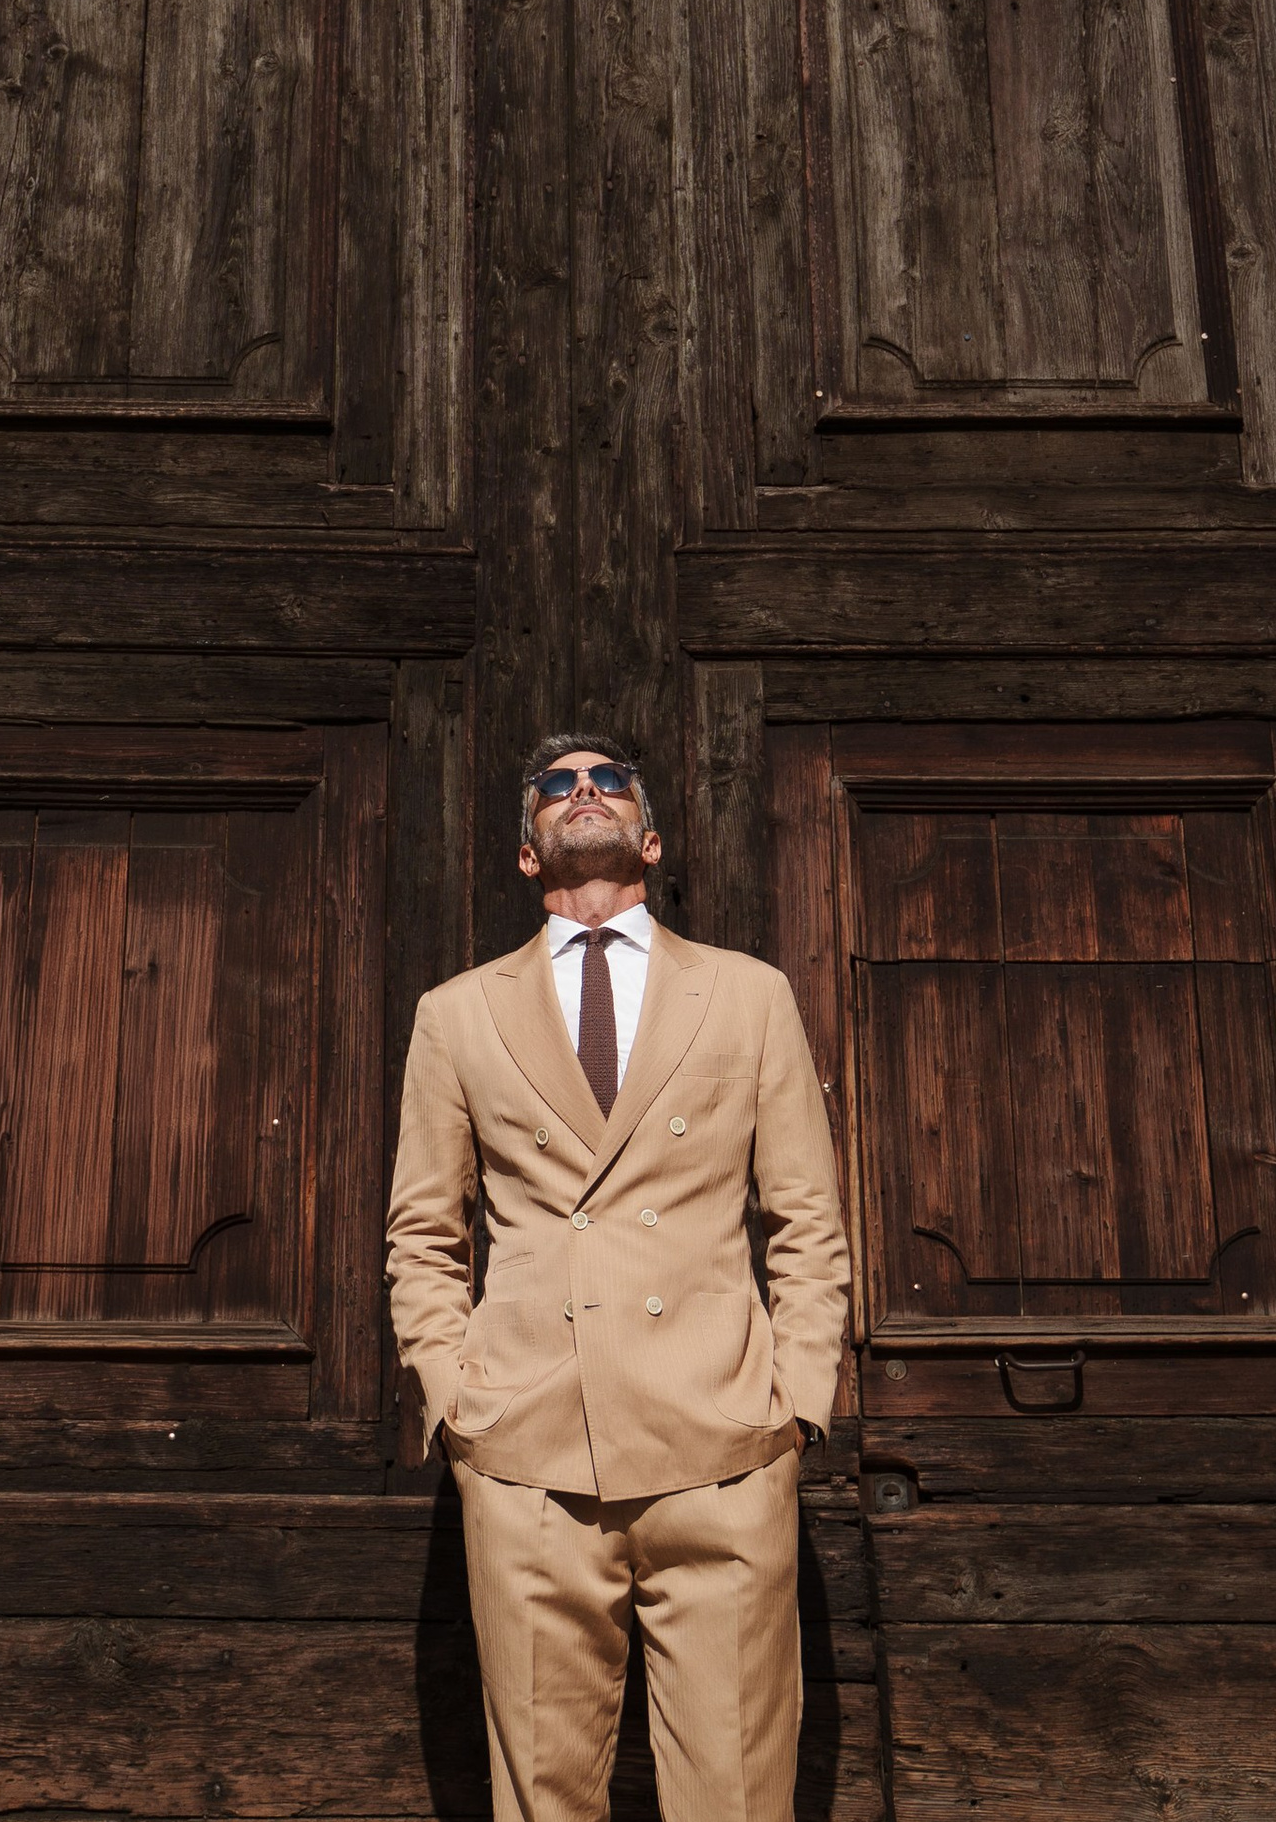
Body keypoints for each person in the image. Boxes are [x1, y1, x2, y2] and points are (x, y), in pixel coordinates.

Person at [386, 732, 852, 1822]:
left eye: (609, 782)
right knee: (542, 1803)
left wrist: (796, 1407)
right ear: (526, 850)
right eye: (557, 784)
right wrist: (457, 1406)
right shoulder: (457, 1012)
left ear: (648, 837)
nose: (583, 790)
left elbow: (805, 1219)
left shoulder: (747, 994)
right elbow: (424, 1233)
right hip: (529, 1457)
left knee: (736, 1798)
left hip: (724, 1450)